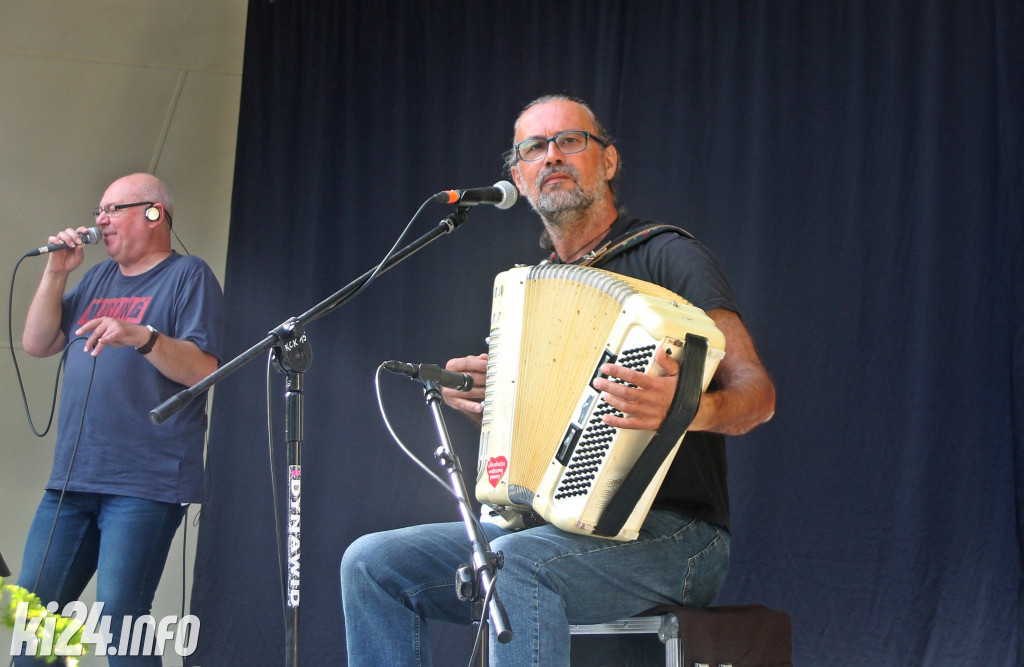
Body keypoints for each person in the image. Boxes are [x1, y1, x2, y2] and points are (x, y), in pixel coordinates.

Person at [340, 94, 776, 666]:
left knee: (512, 564)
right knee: (371, 564)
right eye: (534, 148)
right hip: (550, 531)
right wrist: (494, 406)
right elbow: (544, 435)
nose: (552, 157)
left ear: (609, 161)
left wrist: (684, 408)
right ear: (517, 177)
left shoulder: (669, 257)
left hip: (676, 537)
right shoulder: (531, 290)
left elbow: (757, 396)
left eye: (571, 141)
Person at [15, 173, 224, 665]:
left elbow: (206, 369)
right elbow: (37, 342)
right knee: (36, 612)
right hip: (72, 478)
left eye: (113, 209)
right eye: (99, 211)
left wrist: (142, 336)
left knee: (119, 620)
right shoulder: (97, 278)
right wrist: (56, 274)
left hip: (143, 483)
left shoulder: (188, 275)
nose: (100, 220)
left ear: (154, 213)